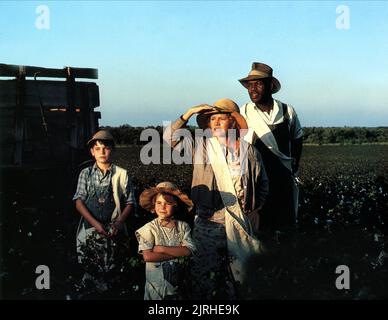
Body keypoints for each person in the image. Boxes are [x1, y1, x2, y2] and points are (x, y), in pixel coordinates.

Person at [163, 98, 269, 299]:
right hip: (208, 223)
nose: (216, 122)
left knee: (238, 279)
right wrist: (189, 113)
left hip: (240, 222)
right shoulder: (201, 147)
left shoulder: (249, 152)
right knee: (204, 279)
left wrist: (256, 209)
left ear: (234, 122)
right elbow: (169, 137)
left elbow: (263, 183)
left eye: (221, 118)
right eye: (212, 119)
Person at [238, 62, 303, 237]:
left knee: (285, 225)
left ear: (270, 86)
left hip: (283, 177)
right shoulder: (243, 113)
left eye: (258, 84)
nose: (253, 89)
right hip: (257, 179)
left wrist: (294, 164)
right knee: (260, 227)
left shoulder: (287, 111)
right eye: (250, 85)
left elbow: (297, 137)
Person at [73, 129, 136, 289]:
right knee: (91, 267)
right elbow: (79, 202)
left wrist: (118, 223)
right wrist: (95, 224)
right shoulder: (85, 174)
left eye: (106, 148)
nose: (102, 151)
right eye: (98, 148)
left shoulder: (122, 174)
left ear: (112, 150)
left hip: (113, 229)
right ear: (92, 152)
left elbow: (130, 202)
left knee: (114, 269)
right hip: (90, 229)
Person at [136, 182, 196, 300]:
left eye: (168, 203)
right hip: (155, 286)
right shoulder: (149, 228)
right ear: (154, 205)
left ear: (176, 206)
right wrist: (177, 253)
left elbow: (189, 251)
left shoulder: (183, 227)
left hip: (178, 284)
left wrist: (161, 249)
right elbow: (148, 256)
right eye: (159, 203)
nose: (162, 207)